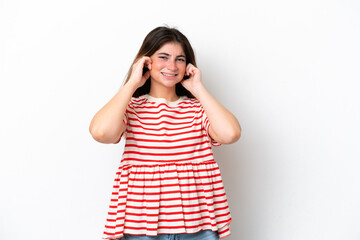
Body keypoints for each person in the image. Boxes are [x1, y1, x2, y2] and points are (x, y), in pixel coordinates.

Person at [89, 26, 241, 240]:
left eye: (180, 59)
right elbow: (100, 132)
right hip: (140, 227)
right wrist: (133, 82)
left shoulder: (198, 109)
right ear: (146, 61)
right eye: (163, 57)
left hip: (198, 227)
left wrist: (198, 88)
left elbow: (231, 134)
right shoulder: (131, 107)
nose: (172, 65)